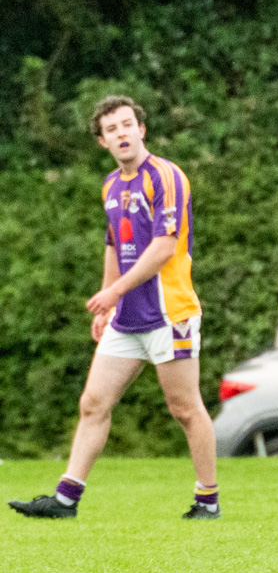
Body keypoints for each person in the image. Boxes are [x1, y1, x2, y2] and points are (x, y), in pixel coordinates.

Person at [9, 96, 218, 520]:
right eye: (111, 129)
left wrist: (113, 292)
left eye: (127, 124)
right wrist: (109, 303)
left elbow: (163, 248)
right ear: (102, 141)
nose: (121, 133)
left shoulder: (166, 176)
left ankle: (207, 500)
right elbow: (113, 243)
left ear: (142, 129)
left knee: (184, 407)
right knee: (93, 402)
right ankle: (65, 499)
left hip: (169, 313)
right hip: (127, 319)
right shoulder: (111, 185)